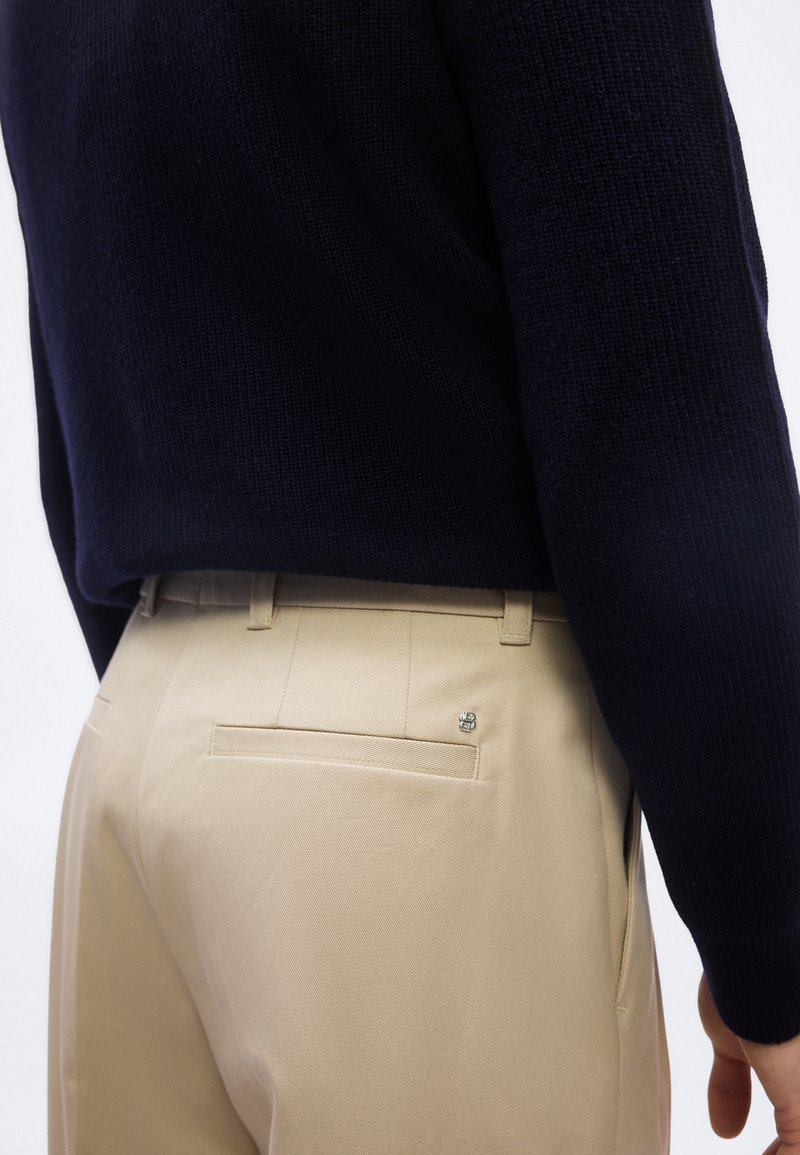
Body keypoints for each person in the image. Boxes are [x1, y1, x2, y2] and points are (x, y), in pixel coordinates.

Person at [1, 0, 799, 1151]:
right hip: (425, 773)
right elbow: (662, 423)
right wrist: (772, 939)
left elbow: (80, 390)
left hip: (141, 735)